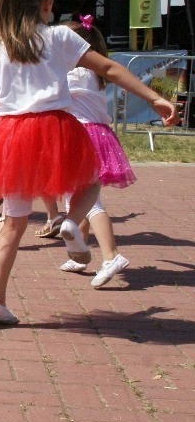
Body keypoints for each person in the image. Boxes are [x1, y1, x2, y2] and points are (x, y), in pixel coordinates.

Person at [0, 0, 177, 325]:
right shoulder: (58, 37)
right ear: (46, 4)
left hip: (9, 135)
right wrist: (153, 97)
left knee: (12, 224)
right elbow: (108, 67)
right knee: (91, 180)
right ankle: (71, 221)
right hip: (53, 126)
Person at [58, 16, 133, 288]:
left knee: (90, 201)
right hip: (96, 135)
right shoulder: (92, 74)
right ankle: (80, 252)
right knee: (75, 194)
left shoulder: (72, 73)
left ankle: (111, 255)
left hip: (80, 137)